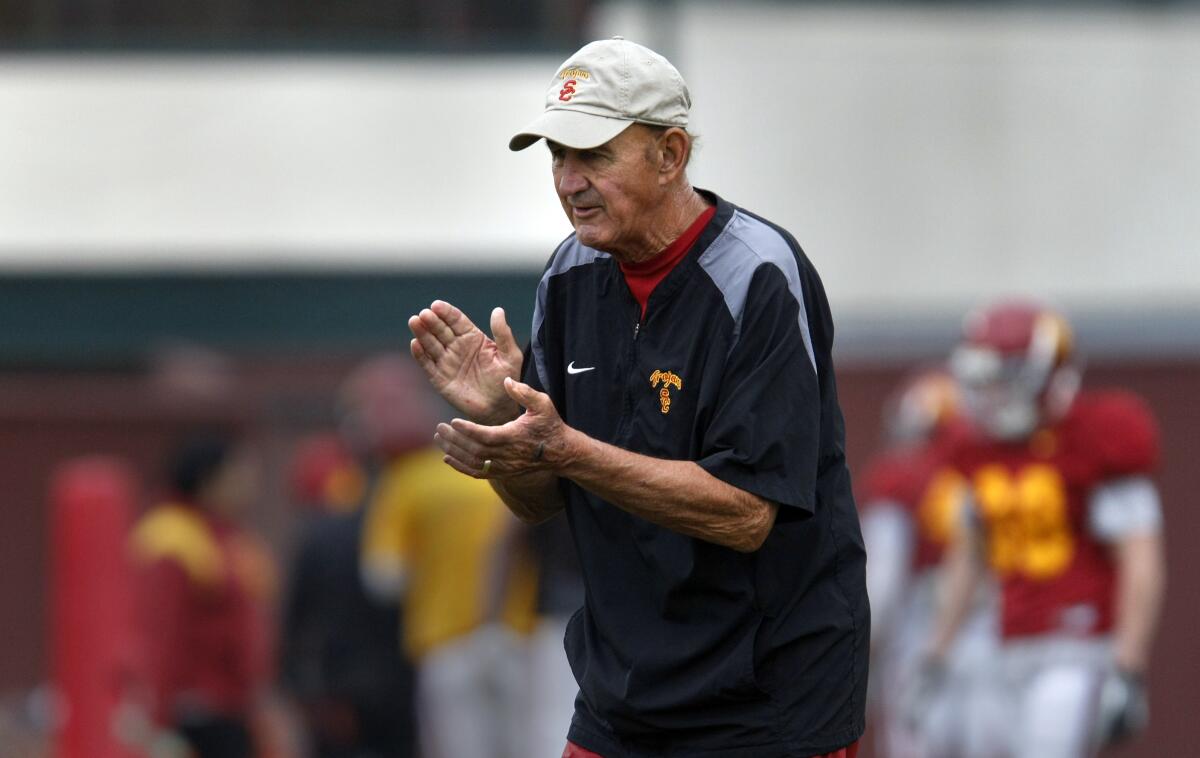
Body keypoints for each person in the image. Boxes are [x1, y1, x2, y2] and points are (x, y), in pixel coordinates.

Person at [408, 36, 868, 758]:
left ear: (671, 154)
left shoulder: (760, 278)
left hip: (768, 704)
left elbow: (746, 514)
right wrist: (510, 426)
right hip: (622, 699)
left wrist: (563, 446)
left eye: (593, 155)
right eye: (556, 156)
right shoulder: (566, 277)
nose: (568, 181)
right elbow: (544, 502)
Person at [927, 301, 1167, 757]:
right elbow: (969, 555)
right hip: (1004, 644)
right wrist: (937, 652)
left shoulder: (1096, 435)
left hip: (1076, 646)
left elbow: (1140, 555)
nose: (993, 391)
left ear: (1047, 372)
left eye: (1007, 375)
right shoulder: (976, 449)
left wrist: (1129, 666)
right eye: (987, 376)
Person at [352, 354, 538, 758]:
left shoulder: (403, 480)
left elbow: (383, 579)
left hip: (445, 644)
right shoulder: (501, 468)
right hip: (516, 638)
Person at [857, 371, 999, 757]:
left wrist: (864, 650)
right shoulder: (993, 473)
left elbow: (882, 587)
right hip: (992, 630)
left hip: (920, 627)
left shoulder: (899, 480)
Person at [129, 433, 277, 758]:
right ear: (209, 477)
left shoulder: (230, 536)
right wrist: (157, 715)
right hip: (195, 711)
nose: (250, 483)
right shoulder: (171, 537)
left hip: (234, 706)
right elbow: (160, 635)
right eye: (239, 472)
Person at [278, 430, 417, 758]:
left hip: (338, 686)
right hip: (402, 677)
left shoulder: (317, 536)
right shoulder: (393, 516)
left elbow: (296, 620)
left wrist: (299, 685)